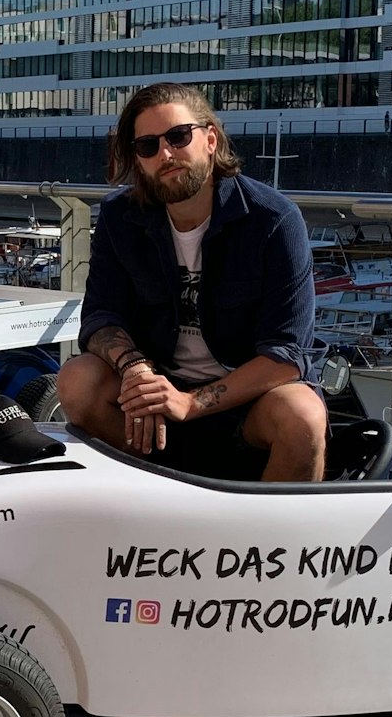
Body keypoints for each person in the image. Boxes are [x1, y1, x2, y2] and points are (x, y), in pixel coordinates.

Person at [57, 82, 325, 481]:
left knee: (302, 416)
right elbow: (100, 315)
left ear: (211, 139)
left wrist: (191, 402)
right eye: (147, 146)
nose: (165, 154)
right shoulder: (120, 217)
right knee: (77, 380)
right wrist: (135, 370)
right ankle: (156, 490)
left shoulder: (273, 221)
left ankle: (271, 537)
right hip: (162, 389)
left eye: (178, 136)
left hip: (249, 399)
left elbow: (286, 354)